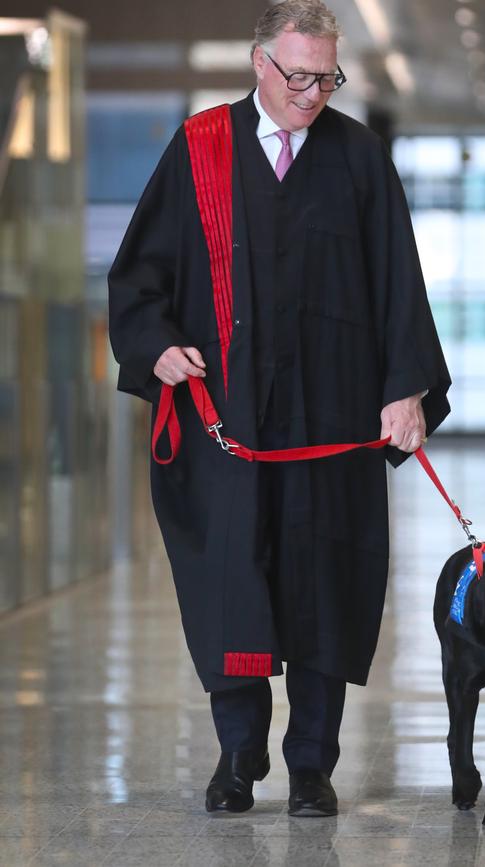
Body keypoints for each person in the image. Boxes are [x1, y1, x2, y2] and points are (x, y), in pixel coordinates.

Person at [108, 0, 450, 818]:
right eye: (299, 76)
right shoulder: (199, 152)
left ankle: (312, 766)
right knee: (232, 582)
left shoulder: (361, 158)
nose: (312, 93)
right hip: (227, 422)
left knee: (326, 581)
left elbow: (400, 282)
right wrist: (155, 343)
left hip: (330, 423)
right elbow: (140, 275)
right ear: (259, 63)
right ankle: (238, 752)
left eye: (327, 77)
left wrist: (406, 389)